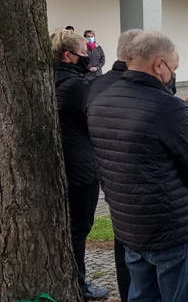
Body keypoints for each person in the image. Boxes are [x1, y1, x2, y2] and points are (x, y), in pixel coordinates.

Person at [88, 30, 188, 301]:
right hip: (173, 229)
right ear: (159, 64)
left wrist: (184, 116)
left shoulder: (101, 98)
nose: (173, 74)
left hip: (130, 227)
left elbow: (142, 142)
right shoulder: (166, 108)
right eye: (173, 68)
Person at [50, 29, 109, 300]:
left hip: (64, 162)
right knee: (79, 227)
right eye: (85, 53)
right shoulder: (77, 85)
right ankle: (79, 285)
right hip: (82, 166)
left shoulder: (50, 78)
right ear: (68, 56)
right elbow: (96, 122)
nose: (89, 57)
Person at [84, 28, 142, 302]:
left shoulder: (96, 84)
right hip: (136, 174)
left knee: (123, 238)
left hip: (107, 171)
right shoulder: (136, 84)